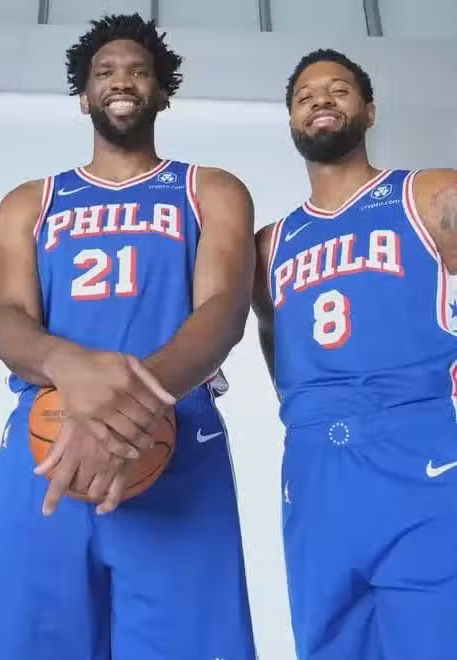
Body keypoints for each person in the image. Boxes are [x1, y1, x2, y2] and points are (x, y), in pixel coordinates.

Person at [0, 13, 257, 660]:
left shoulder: (210, 189)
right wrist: (71, 369)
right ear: (84, 96)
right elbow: (9, 318)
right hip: (49, 440)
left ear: (162, 92)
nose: (121, 80)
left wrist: (128, 407)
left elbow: (222, 311)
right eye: (105, 72)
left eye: (137, 71)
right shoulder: (30, 201)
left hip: (172, 438)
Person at [252, 48, 457, 660]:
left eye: (339, 90)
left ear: (369, 111)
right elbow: (275, 335)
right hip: (314, 463)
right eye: (305, 95)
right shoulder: (270, 244)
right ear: (292, 121)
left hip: (418, 447)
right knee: (331, 645)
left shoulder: (430, 195)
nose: (321, 99)